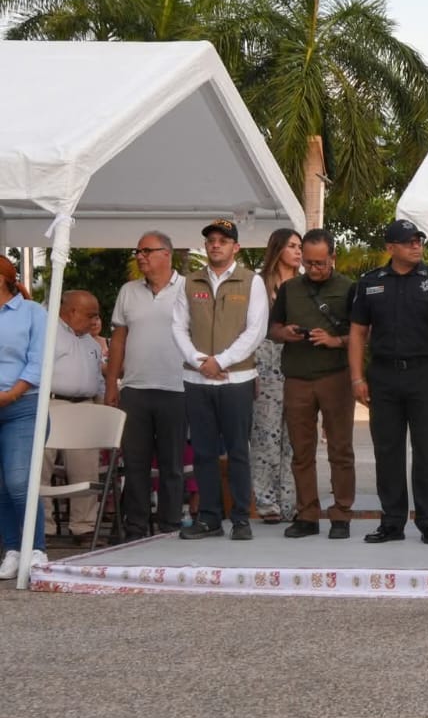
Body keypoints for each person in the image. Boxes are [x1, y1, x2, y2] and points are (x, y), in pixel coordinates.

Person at [348, 218, 428, 545]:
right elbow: (357, 333)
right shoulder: (370, 283)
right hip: (383, 375)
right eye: (408, 241)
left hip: (425, 374)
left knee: (427, 452)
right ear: (390, 247)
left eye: (418, 241)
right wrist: (357, 378)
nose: (416, 246)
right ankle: (392, 522)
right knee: (387, 452)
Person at [172, 217, 269, 541]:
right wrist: (200, 361)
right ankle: (210, 518)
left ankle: (240, 518)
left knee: (238, 451)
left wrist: (221, 361)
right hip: (198, 379)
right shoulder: (190, 282)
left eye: (223, 241)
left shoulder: (251, 281)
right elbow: (178, 327)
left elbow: (255, 331)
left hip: (236, 379)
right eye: (211, 240)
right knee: (203, 452)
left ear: (235, 247)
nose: (216, 245)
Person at [267, 228, 356, 539]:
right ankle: (307, 514)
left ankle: (341, 514)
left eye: (320, 263)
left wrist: (335, 340)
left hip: (335, 377)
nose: (314, 269)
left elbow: (363, 334)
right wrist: (285, 333)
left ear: (333, 257)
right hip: (297, 378)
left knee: (340, 449)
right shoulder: (290, 289)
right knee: (301, 451)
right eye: (308, 262)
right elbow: (272, 329)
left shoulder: (348, 288)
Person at [107, 232, 189, 539]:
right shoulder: (128, 291)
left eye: (147, 251)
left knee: (172, 464)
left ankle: (170, 528)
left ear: (166, 254)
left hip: (176, 388)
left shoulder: (188, 289)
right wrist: (111, 383)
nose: (140, 256)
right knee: (135, 464)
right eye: (138, 251)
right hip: (135, 389)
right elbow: (118, 340)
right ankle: (136, 529)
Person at [0, 257, 48, 580]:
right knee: (1, 486)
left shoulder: (32, 312)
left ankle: (36, 548)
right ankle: (13, 549)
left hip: (23, 405)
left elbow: (39, 360)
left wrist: (11, 394)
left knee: (19, 481)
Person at [249, 228, 301, 524]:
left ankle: (291, 503)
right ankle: (267, 502)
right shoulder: (259, 284)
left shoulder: (305, 284)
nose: (297, 251)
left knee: (295, 438)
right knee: (266, 435)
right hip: (265, 362)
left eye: (299, 246)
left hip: (299, 362)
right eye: (292, 246)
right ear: (278, 249)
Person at [48, 289, 105, 541]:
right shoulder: (48, 333)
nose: (94, 321)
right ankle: (44, 527)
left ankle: (83, 526)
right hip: (52, 403)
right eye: (90, 315)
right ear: (71, 311)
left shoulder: (91, 343)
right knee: (41, 467)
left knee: (86, 469)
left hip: (85, 406)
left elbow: (98, 380)